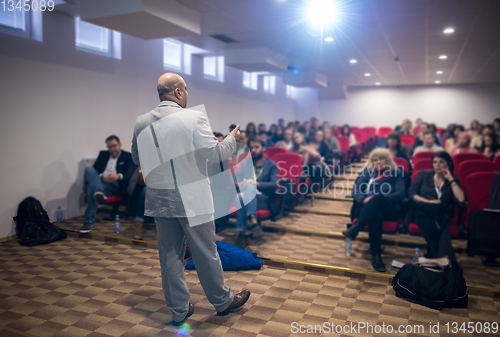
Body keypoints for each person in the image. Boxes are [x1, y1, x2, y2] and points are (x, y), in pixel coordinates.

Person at [131, 72, 250, 325]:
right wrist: (232, 138)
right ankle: (222, 301)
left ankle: (179, 310)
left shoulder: (141, 121)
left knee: (169, 255)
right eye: (185, 89)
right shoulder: (193, 116)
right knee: (206, 252)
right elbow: (215, 154)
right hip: (192, 198)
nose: (186, 94)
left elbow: (135, 159)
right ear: (177, 92)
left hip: (159, 198)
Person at [342, 148, 406, 272]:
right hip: (366, 208)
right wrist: (363, 199)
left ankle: (356, 227)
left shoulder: (396, 173)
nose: (378, 162)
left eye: (381, 159)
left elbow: (401, 193)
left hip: (390, 208)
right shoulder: (368, 172)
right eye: (375, 160)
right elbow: (356, 190)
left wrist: (377, 198)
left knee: (378, 200)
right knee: (376, 214)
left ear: (387, 160)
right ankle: (376, 256)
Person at [408, 151, 465, 264]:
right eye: (435, 162)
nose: (437, 165)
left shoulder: (453, 180)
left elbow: (461, 199)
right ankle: (443, 261)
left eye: (441, 162)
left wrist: (450, 179)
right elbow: (412, 194)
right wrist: (429, 202)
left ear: (448, 164)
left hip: (440, 213)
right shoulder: (423, 174)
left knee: (440, 218)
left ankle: (432, 256)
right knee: (440, 222)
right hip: (423, 209)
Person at [80, 135, 135, 233]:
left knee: (90, 188)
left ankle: (88, 221)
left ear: (120, 145)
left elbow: (130, 175)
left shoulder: (127, 156)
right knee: (88, 169)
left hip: (115, 186)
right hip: (101, 183)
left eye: (114, 146)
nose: (112, 149)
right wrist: (101, 177)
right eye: (109, 147)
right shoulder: (103, 154)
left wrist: (119, 176)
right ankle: (99, 191)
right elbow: (95, 171)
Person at [234, 136, 278, 238]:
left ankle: (244, 229)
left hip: (263, 198)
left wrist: (256, 184)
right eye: (251, 147)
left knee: (240, 197)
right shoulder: (246, 163)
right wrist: (241, 184)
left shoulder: (271, 165)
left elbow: (273, 184)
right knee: (245, 191)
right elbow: (234, 180)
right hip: (247, 193)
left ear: (264, 148)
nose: (253, 150)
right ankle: (252, 223)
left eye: (256, 147)